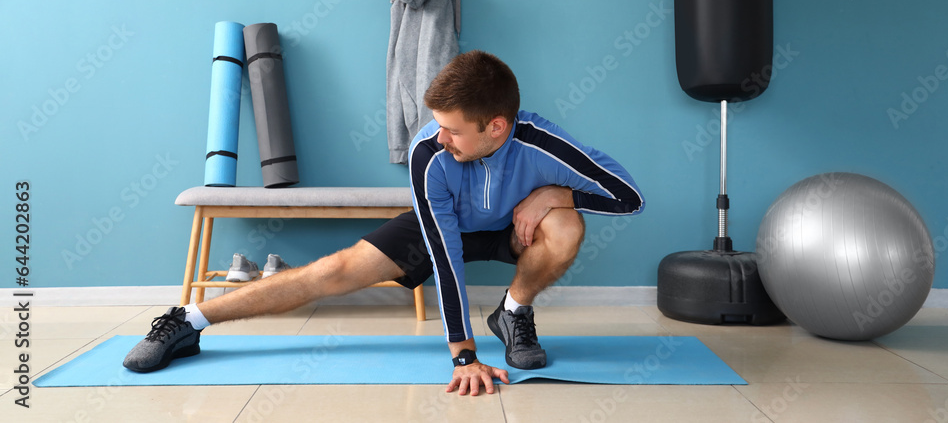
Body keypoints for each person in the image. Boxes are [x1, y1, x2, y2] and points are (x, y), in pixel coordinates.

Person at [124, 50, 644, 396]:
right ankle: (188, 321)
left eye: (452, 130)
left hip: (514, 227)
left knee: (567, 226)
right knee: (329, 273)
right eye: (437, 126)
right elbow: (446, 256)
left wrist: (556, 193)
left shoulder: (544, 145)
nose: (439, 137)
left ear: (497, 126)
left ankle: (513, 313)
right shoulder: (429, 154)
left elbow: (629, 196)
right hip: (444, 227)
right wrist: (464, 356)